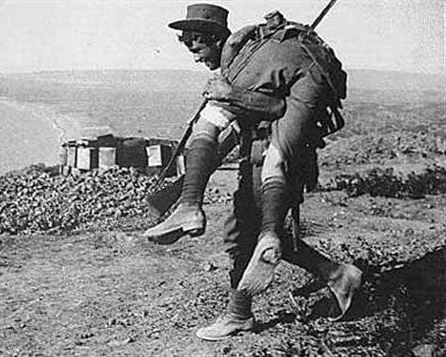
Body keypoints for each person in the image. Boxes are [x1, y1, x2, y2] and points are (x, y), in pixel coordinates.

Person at [144, 4, 363, 341]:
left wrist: (231, 95)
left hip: (278, 161)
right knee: (255, 235)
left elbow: (278, 109)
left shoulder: (252, 64)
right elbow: (233, 131)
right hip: (257, 159)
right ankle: (338, 276)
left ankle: (239, 314)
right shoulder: (243, 62)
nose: (195, 56)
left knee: (247, 236)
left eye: (197, 46)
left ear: (215, 38)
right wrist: (183, 188)